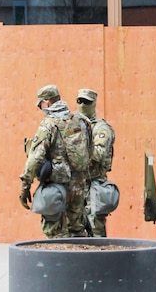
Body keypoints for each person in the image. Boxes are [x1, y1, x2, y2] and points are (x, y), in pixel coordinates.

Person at [19, 85, 91, 238]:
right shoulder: (81, 121)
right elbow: (89, 152)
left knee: (54, 231)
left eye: (40, 105)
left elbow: (35, 158)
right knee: (77, 229)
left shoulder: (48, 125)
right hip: (79, 185)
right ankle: (80, 261)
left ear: (46, 103)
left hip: (55, 188)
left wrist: (25, 186)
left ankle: (59, 261)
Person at [77, 88, 116, 237]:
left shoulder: (101, 129)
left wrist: (76, 149)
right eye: (79, 101)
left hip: (94, 184)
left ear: (93, 103)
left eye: (86, 102)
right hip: (77, 185)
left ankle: (100, 258)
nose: (82, 104)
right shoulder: (73, 125)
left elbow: (98, 154)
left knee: (95, 229)